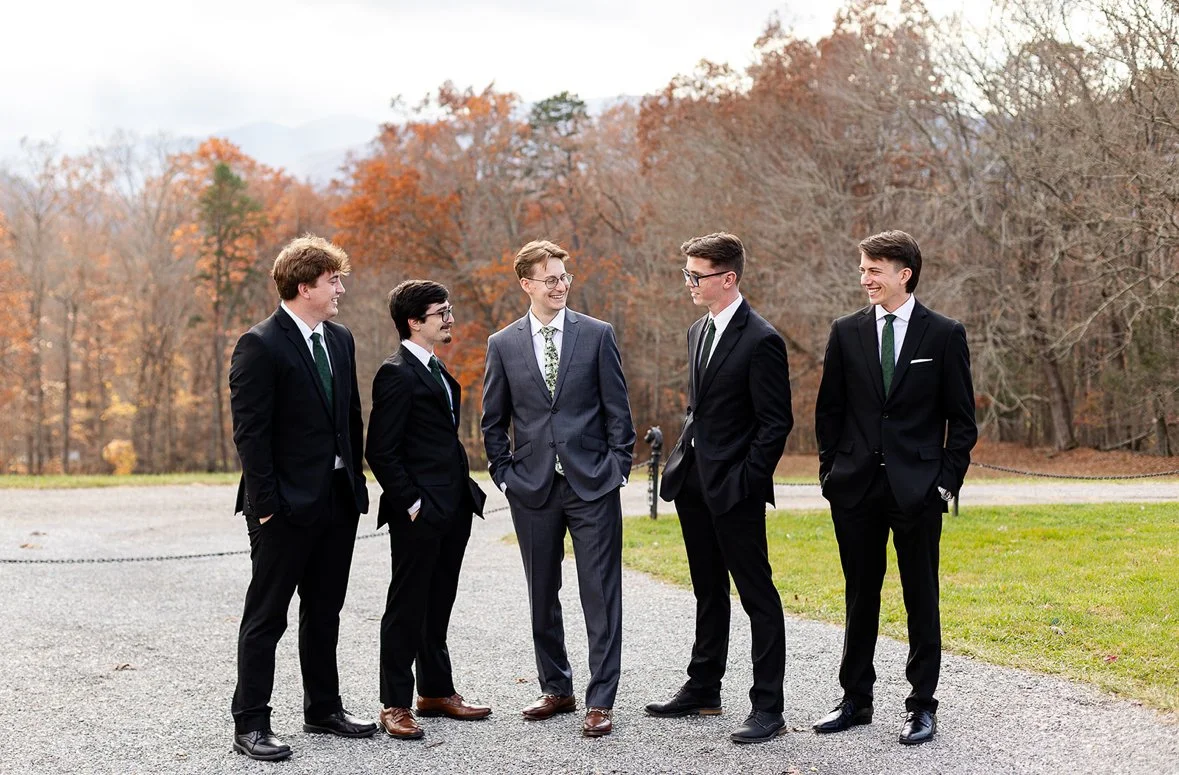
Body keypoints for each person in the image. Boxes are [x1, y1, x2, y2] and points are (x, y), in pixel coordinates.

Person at [812, 229, 976, 746]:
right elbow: (829, 411)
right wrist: (829, 474)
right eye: (862, 269)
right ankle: (856, 700)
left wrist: (945, 485)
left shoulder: (945, 334)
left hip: (918, 490)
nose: (865, 279)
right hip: (855, 488)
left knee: (920, 597)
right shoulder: (845, 331)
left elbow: (962, 421)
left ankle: (922, 706)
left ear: (904, 274)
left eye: (874, 270)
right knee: (860, 595)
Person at [228, 235, 375, 761]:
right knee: (267, 616)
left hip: (336, 500)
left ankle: (323, 709)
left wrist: (355, 484)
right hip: (282, 508)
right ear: (303, 285)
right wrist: (266, 506)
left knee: (326, 609)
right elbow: (251, 435)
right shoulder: (259, 344)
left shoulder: (340, 339)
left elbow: (351, 419)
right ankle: (250, 723)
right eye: (333, 280)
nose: (340, 288)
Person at [481, 239, 636, 738]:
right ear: (526, 284)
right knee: (541, 592)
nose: (561, 285)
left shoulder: (596, 335)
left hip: (593, 484)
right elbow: (492, 420)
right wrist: (505, 474)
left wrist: (618, 467)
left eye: (564, 276)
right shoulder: (502, 344)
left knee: (600, 592)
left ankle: (601, 698)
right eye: (549, 278)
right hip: (533, 487)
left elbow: (619, 410)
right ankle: (557, 688)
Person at [649, 232, 794, 744]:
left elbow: (775, 423)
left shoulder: (762, 339)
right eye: (687, 273)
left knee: (757, 594)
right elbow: (702, 410)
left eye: (697, 275)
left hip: (735, 490)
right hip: (693, 484)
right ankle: (704, 687)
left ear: (727, 278)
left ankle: (768, 707)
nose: (688, 282)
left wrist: (745, 482)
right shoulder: (697, 330)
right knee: (708, 589)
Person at [366, 280, 490, 740]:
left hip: (453, 508)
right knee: (406, 606)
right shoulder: (395, 373)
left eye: (449, 308)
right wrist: (414, 504)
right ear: (415, 322)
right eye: (441, 312)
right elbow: (380, 451)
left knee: (438, 603)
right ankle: (394, 703)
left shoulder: (436, 369)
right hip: (420, 513)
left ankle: (436, 691)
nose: (450, 317)